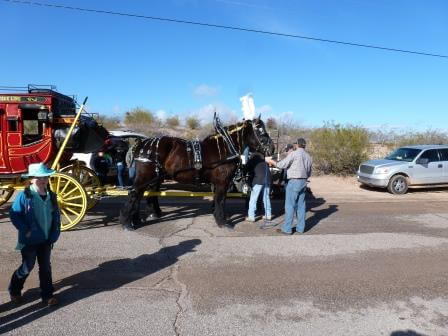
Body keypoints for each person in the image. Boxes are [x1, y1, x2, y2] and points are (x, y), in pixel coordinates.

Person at [8, 163, 61, 306]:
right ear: (31, 179)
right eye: (38, 177)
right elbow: (14, 214)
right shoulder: (24, 195)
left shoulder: (51, 196)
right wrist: (25, 229)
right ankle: (14, 290)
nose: (42, 180)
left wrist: (56, 232)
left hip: (46, 239)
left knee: (45, 267)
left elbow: (56, 216)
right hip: (29, 240)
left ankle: (47, 295)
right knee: (27, 266)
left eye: (45, 177)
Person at [265, 138, 312, 235]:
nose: (294, 145)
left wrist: (271, 161)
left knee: (290, 206)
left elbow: (282, 164)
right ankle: (300, 228)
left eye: (295, 144)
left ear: (298, 144)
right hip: (304, 182)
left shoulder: (294, 154)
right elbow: (309, 172)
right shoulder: (308, 156)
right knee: (301, 206)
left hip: (294, 181)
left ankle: (287, 229)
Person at [245, 152, 272, 225]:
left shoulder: (252, 160)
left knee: (253, 199)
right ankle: (268, 215)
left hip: (258, 180)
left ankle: (251, 216)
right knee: (266, 198)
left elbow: (246, 168)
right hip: (268, 179)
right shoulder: (264, 161)